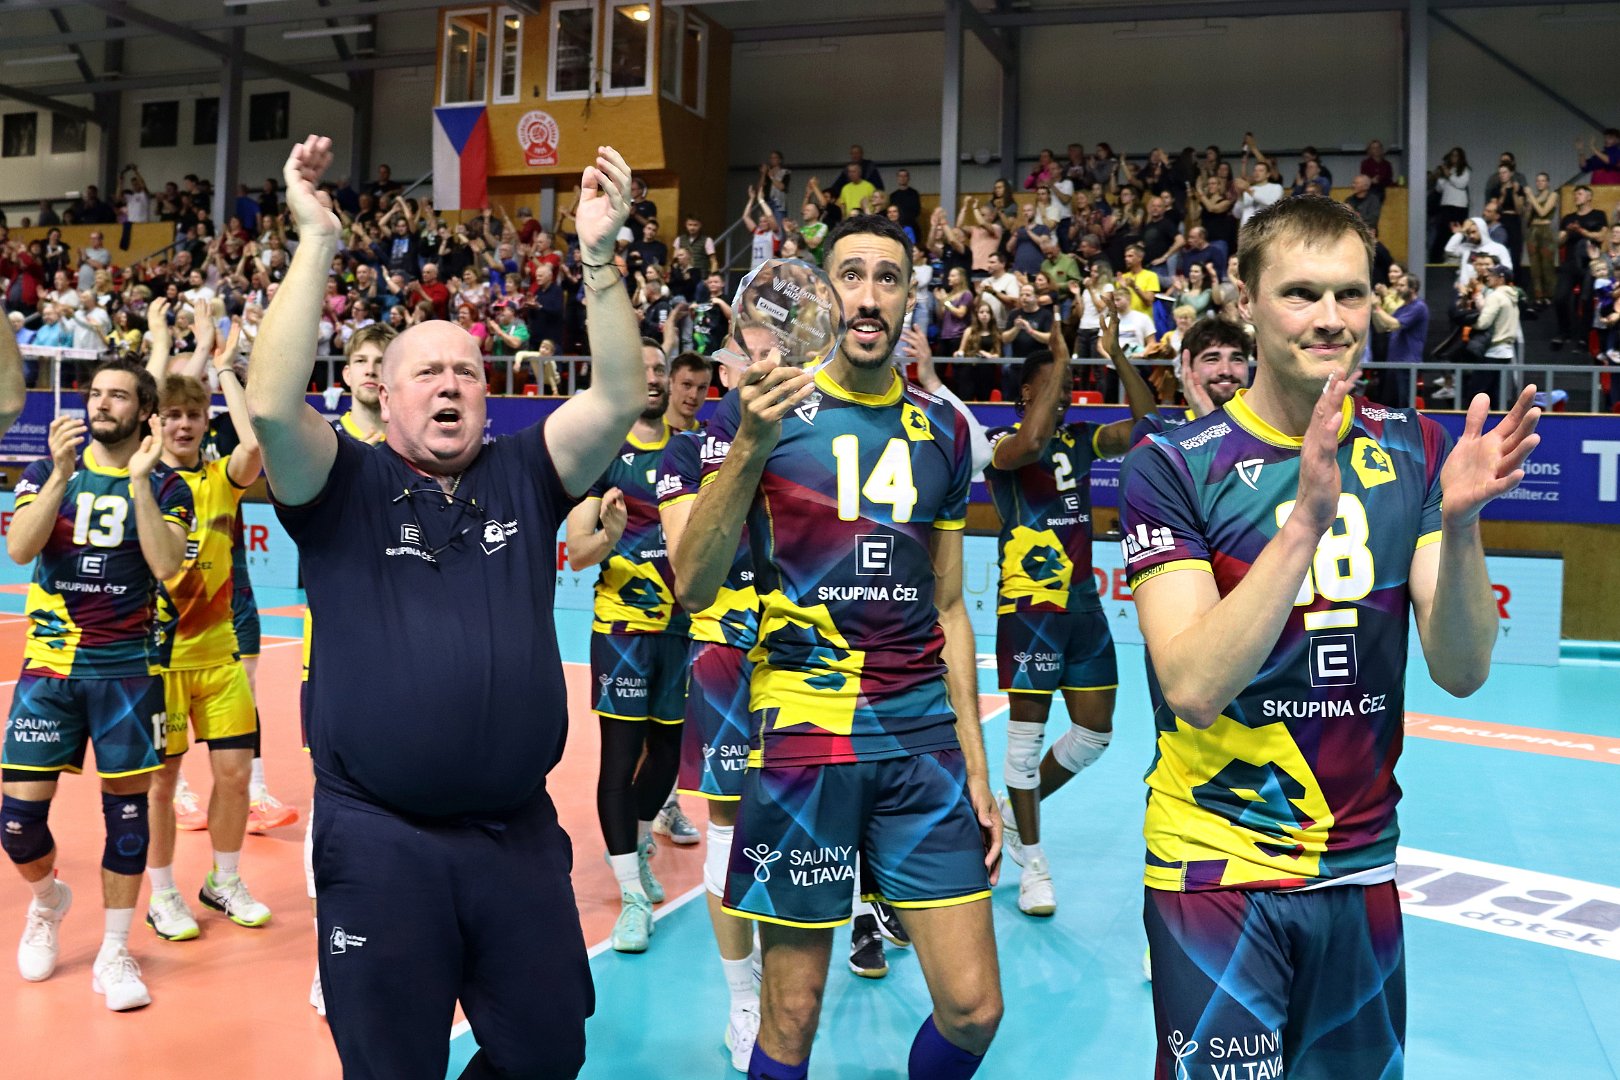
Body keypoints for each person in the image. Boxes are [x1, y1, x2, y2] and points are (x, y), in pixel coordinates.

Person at [245, 135, 646, 1079]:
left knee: (546, 1051)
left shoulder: (526, 472)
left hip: (516, 834)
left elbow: (621, 395)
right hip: (380, 841)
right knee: (391, 1063)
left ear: (488, 395)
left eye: (466, 371)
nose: (450, 384)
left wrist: (596, 257)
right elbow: (268, 408)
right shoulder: (341, 483)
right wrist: (316, 241)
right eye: (426, 372)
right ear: (383, 397)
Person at [1119, 194, 1541, 1079]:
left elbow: (1462, 668)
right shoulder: (1173, 463)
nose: (1330, 318)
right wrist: (1305, 520)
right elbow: (1192, 685)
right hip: (1217, 867)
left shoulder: (1416, 448)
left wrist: (1461, 524)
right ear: (1246, 301)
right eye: (1301, 294)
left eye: (1350, 294)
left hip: (1360, 870)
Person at [674, 214, 1003, 1080]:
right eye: (850, 275)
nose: (869, 295)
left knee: (973, 1009)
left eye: (888, 278)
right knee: (791, 1015)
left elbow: (949, 605)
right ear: (824, 295)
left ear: (908, 299)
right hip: (806, 732)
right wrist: (750, 444)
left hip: (921, 737)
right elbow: (694, 583)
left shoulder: (943, 432)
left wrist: (976, 765)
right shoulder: (765, 410)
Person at [2, 358, 195, 1011]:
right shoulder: (45, 472)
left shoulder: (168, 484)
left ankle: (115, 950)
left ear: (144, 411)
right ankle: (48, 901)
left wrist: (139, 481)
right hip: (50, 668)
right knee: (18, 826)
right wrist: (59, 475)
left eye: (118, 395)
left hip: (126, 673)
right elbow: (20, 550)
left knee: (128, 822)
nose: (102, 403)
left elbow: (167, 566)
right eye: (97, 394)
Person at [983, 307, 1155, 918]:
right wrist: (1060, 357)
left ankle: (1011, 811)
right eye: (1049, 385)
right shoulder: (1000, 444)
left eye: (1064, 386)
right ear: (1027, 394)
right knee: (1023, 744)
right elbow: (1030, 443)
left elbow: (1146, 427)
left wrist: (1116, 356)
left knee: (1095, 734)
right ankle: (1033, 864)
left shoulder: (1081, 438)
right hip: (1029, 605)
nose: (1060, 394)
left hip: (1083, 602)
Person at [143, 329, 273, 944]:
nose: (184, 425)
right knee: (162, 784)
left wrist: (225, 373)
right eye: (172, 415)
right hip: (158, 660)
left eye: (193, 416)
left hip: (220, 656)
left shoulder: (223, 478)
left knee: (235, 775)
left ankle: (223, 880)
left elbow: (254, 443)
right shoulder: (141, 483)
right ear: (157, 422)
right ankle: (162, 893)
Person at [564, 340, 687, 953]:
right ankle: (632, 898)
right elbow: (577, 551)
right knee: (620, 758)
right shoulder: (605, 456)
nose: (654, 378)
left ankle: (636, 844)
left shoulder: (690, 451)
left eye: (660, 369)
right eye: (642, 370)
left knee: (668, 756)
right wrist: (609, 535)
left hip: (684, 629)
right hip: (623, 630)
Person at [657, 360, 762, 1070]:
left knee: (803, 812)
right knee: (726, 825)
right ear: (730, 365)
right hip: (725, 644)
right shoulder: (687, 451)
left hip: (803, 646)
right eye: (751, 347)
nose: (767, 356)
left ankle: (851, 926)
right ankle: (743, 1000)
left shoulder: (811, 432)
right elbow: (686, 564)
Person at [1129, 316, 1252, 445]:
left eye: (1237, 359)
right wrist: (1209, 424)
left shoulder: (1264, 428)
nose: (1226, 371)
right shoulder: (1159, 432)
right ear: (1187, 368)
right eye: (1212, 359)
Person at [1371, 274, 1428, 407]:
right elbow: (1381, 327)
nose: (1398, 288)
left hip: (1407, 364)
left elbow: (1395, 324)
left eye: (1402, 285)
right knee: (1391, 405)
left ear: (1413, 288)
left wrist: (1378, 307)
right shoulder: (1402, 308)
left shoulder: (1419, 306)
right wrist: (1374, 309)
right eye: (1397, 285)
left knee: (1405, 404)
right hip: (1394, 363)